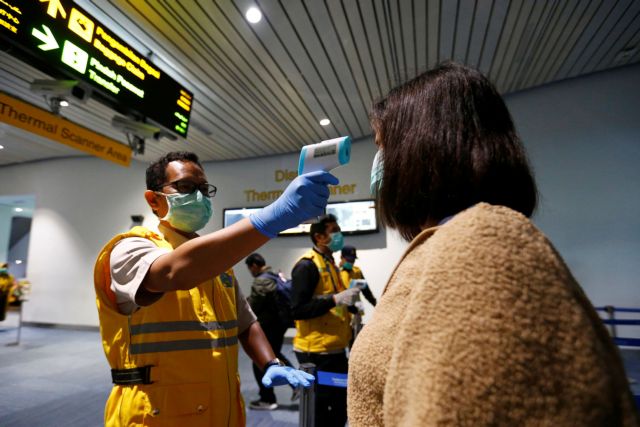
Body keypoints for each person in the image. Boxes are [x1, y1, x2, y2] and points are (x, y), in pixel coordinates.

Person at [347, 62, 639, 426]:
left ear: (420, 149)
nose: (378, 164)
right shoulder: (449, 243)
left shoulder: (481, 246)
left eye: (382, 147)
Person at [94, 151, 338, 426]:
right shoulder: (130, 247)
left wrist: (270, 363)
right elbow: (174, 272)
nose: (198, 196)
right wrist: (273, 218)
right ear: (153, 199)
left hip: (220, 411)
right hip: (155, 414)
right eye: (185, 187)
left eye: (203, 189)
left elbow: (244, 323)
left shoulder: (218, 263)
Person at [291, 214, 361, 427]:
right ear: (320, 237)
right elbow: (298, 310)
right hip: (316, 352)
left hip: (336, 348)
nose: (340, 235)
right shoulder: (307, 266)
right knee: (321, 411)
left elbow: (333, 299)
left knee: (341, 407)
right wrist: (335, 299)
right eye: (335, 231)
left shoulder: (330, 263)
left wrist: (350, 307)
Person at [245, 252, 294, 410]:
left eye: (249, 268)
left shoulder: (261, 281)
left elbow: (253, 308)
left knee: (260, 361)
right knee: (275, 355)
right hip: (280, 325)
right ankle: (296, 384)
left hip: (268, 327)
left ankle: (267, 399)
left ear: (254, 266)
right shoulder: (274, 276)